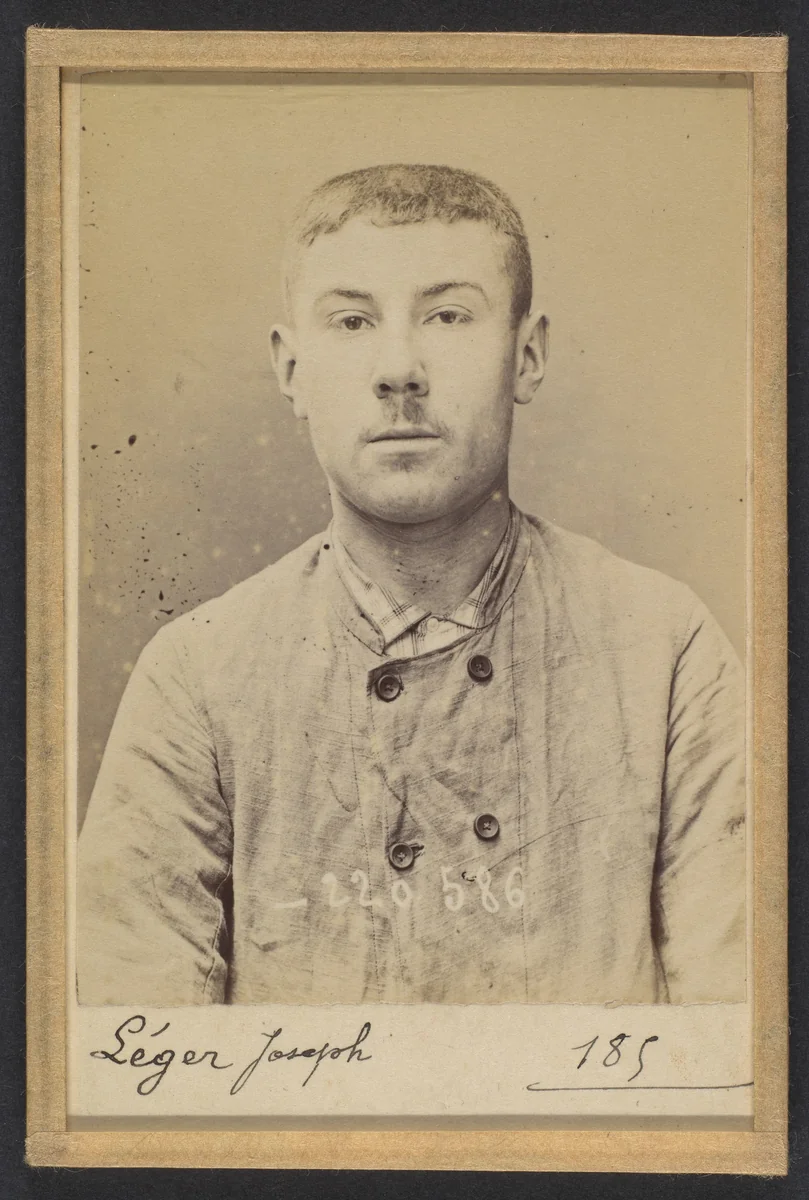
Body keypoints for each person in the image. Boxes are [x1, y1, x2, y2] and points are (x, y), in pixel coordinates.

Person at [77, 163, 745, 1007]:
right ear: (291, 370)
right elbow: (131, 1052)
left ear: (526, 356)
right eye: (352, 320)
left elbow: (739, 1042)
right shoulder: (197, 675)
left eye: (448, 315)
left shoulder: (664, 649)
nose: (400, 368)